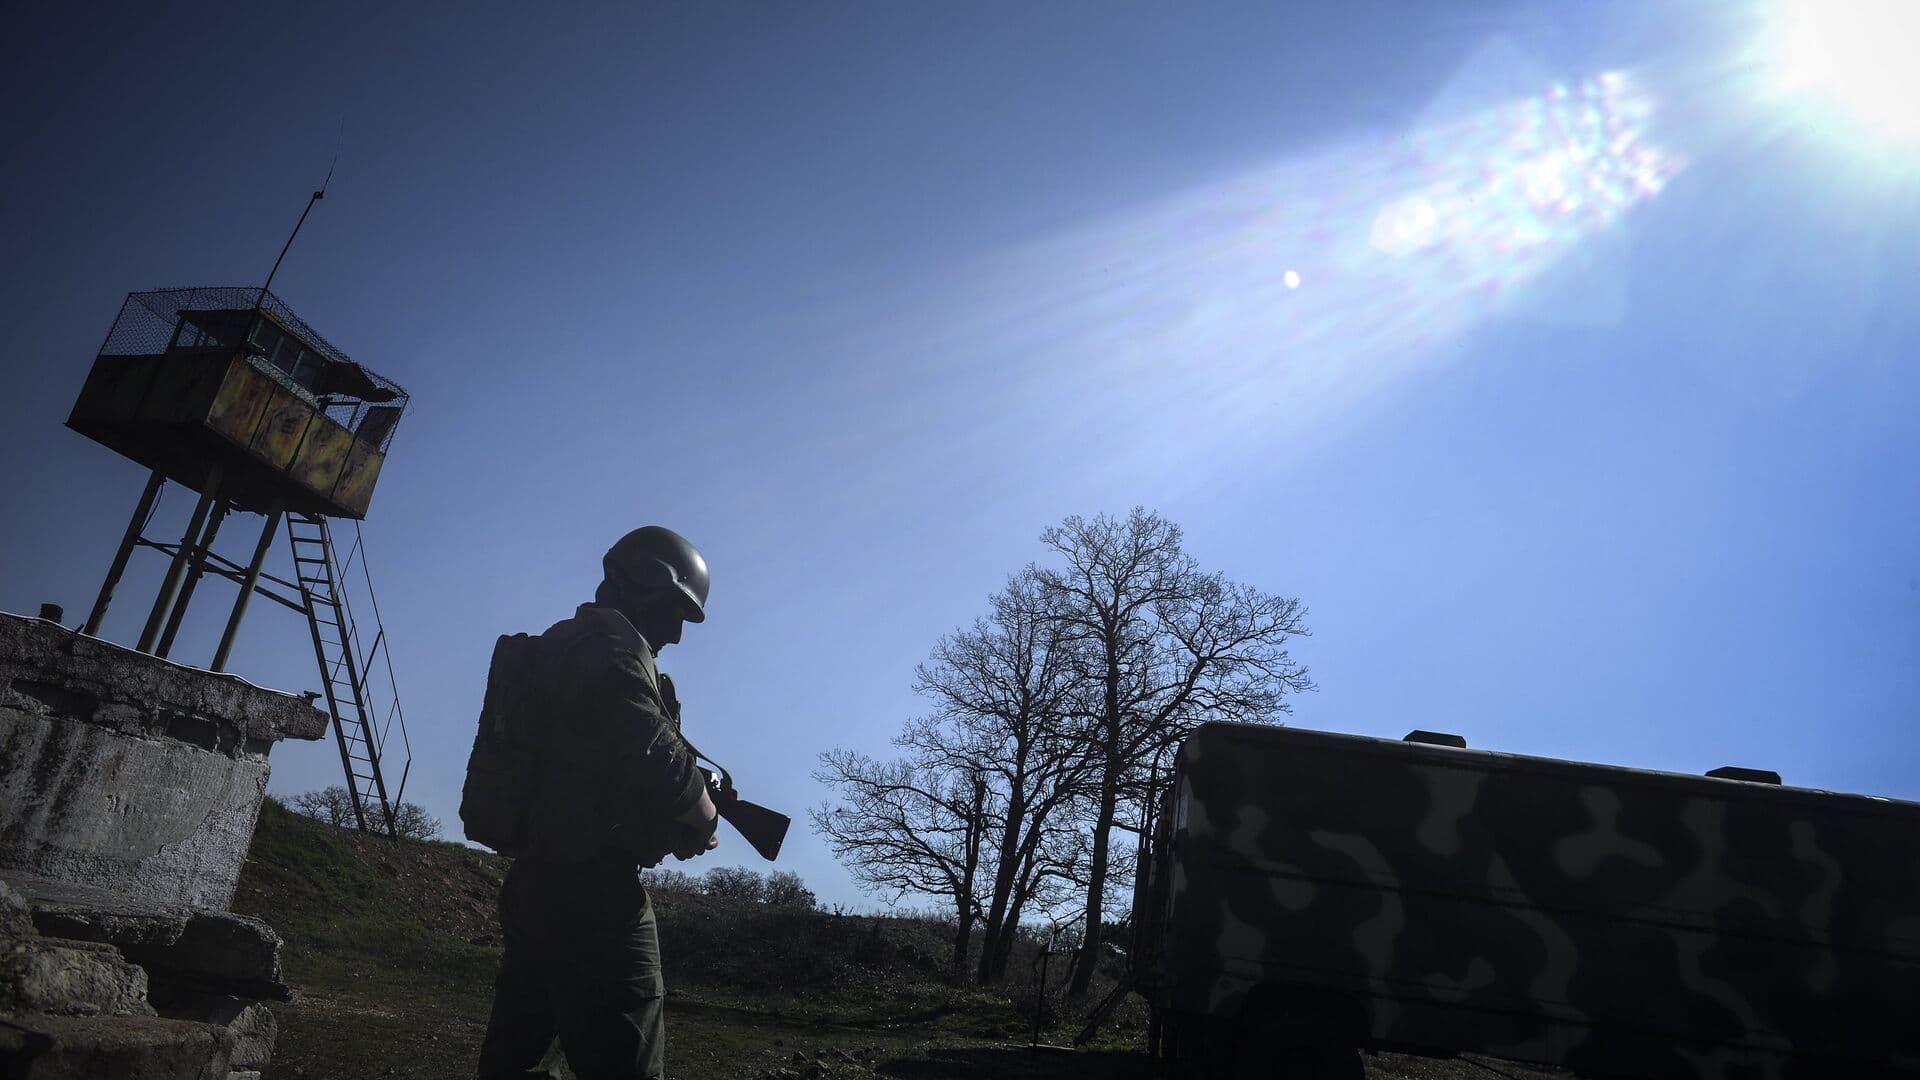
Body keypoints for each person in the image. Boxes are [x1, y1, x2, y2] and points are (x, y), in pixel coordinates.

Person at [476, 525, 719, 1080]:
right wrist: (703, 816)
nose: (678, 636)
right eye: (677, 613)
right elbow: (661, 762)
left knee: (515, 1063)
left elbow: (603, 770)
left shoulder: (561, 647)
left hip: (537, 886)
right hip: (595, 901)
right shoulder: (607, 654)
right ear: (647, 587)